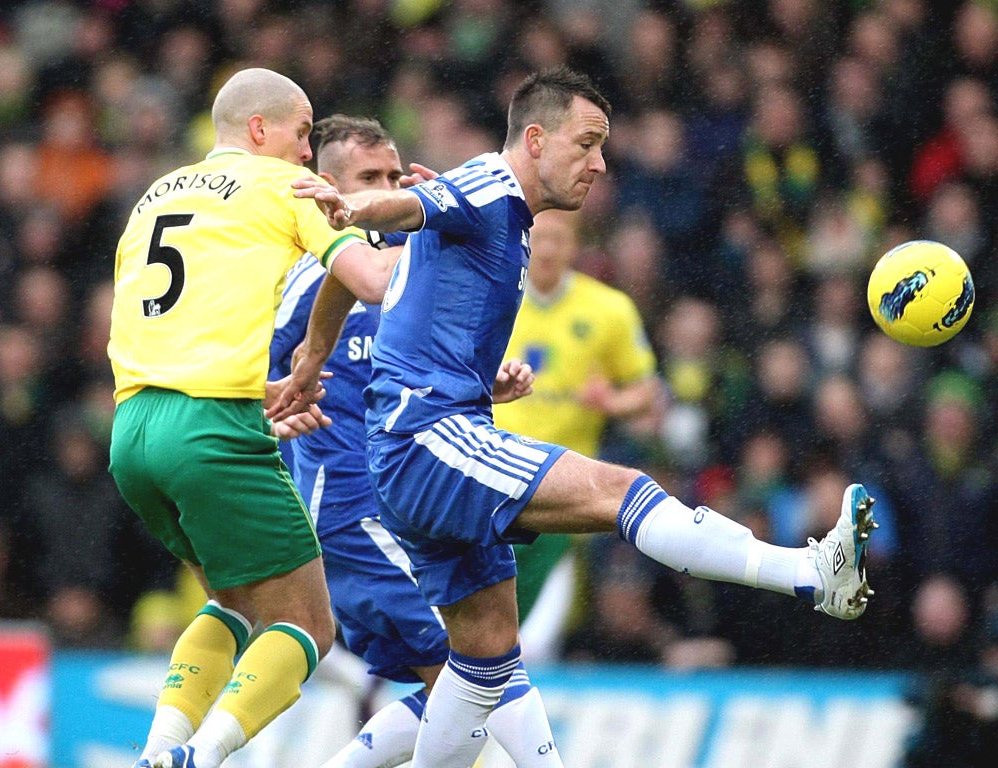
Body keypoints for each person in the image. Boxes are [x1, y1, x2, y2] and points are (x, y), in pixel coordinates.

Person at [274, 66, 878, 768]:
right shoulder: (491, 183)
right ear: (535, 139)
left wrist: (315, 359)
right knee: (620, 491)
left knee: (483, 662)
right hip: (427, 440)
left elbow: (367, 277)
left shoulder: (506, 216)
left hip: (418, 452)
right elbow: (401, 211)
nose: (598, 164)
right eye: (586, 143)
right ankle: (810, 573)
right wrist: (354, 211)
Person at [107, 68, 396, 768]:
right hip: (212, 432)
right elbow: (378, 283)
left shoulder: (154, 196)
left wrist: (260, 384)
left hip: (133, 431)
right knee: (306, 624)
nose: (308, 153)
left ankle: (157, 753)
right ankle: (199, 759)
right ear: (260, 130)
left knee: (234, 603)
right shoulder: (283, 187)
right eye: (302, 133)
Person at [270, 114, 563, 767]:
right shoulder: (313, 277)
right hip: (355, 518)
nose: (388, 186)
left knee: (464, 687)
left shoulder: (412, 285)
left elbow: (415, 382)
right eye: (369, 178)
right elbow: (248, 380)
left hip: (412, 510)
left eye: (394, 175)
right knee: (487, 666)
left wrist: (485, 380)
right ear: (329, 188)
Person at [493, 207, 658, 661]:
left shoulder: (608, 310)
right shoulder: (494, 297)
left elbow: (648, 392)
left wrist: (612, 403)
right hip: (491, 479)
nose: (546, 249)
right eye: (539, 238)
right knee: (482, 628)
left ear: (575, 246)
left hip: (561, 489)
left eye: (558, 239)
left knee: (535, 639)